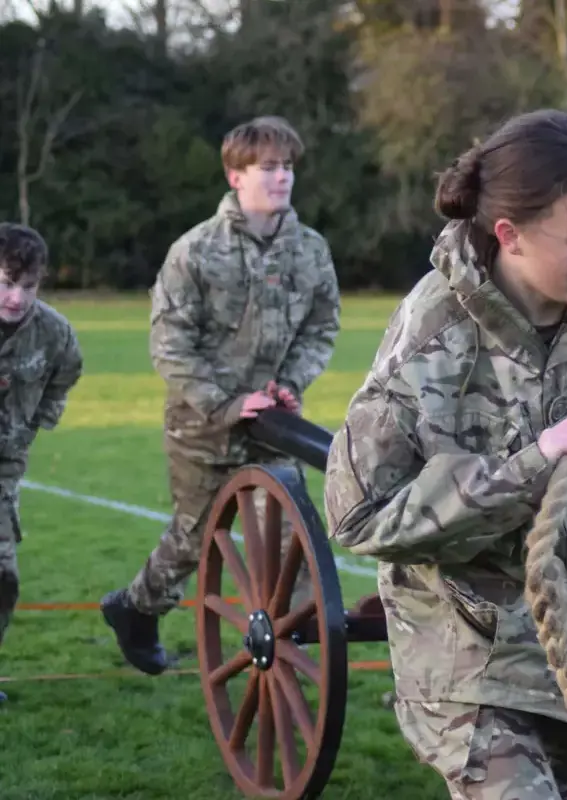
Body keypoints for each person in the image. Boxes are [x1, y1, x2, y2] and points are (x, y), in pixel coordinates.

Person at [322, 109, 567, 799]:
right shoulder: (432, 334)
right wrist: (528, 467)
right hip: (473, 661)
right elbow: (360, 519)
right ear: (509, 235)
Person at [100, 115, 341, 676]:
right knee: (196, 538)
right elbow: (170, 345)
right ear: (235, 176)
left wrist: (292, 383)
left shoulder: (310, 251)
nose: (281, 178)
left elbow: (322, 326)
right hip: (202, 424)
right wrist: (229, 404)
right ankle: (134, 608)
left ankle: (297, 640)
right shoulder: (195, 251)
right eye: (267, 168)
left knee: (289, 533)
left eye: (287, 168)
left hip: (274, 424)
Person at [0, 223, 84, 704]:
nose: (17, 297)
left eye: (28, 286)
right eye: (8, 283)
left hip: (4, 468)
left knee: (3, 578)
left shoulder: (53, 333)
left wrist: (39, 420)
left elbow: (67, 371)